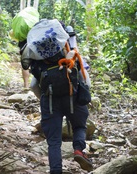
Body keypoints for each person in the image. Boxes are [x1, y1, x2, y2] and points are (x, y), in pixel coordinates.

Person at [23, 19, 93, 174]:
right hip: (73, 96)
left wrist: (43, 97)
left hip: (49, 100)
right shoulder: (69, 50)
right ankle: (78, 150)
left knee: (53, 141)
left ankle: (56, 170)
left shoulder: (39, 56)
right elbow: (84, 79)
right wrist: (84, 93)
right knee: (80, 126)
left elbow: (34, 85)